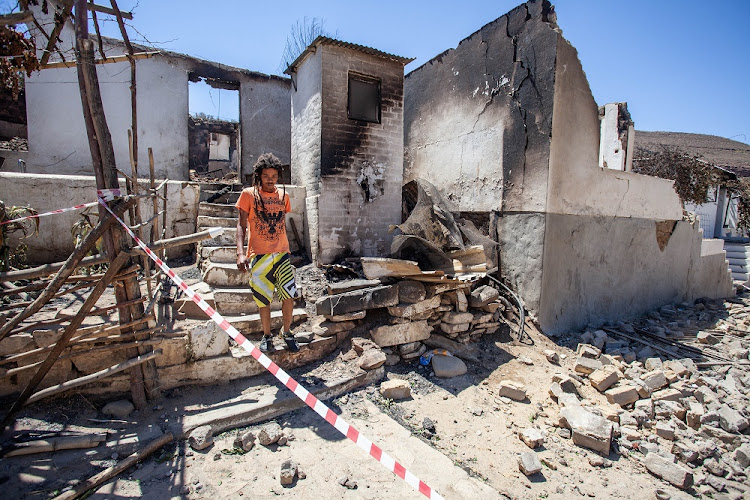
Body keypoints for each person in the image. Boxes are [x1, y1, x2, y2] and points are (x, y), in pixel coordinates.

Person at [235, 153, 299, 353]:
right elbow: (241, 225)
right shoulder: (248, 195)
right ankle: (267, 335)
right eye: (266, 176)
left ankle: (286, 332)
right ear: (258, 177)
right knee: (263, 298)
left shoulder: (283, 196)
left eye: (273, 175)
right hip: (259, 255)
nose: (270, 179)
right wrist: (240, 253)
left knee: (288, 295)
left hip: (281, 254)